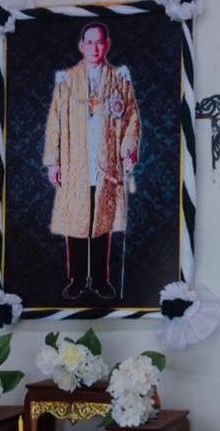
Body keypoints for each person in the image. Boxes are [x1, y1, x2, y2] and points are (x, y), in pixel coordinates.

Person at [43, 22, 141, 300]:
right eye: (89, 42)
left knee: (101, 222)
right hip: (75, 162)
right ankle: (76, 279)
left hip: (105, 163)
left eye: (99, 42)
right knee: (77, 222)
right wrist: (54, 162)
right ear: (81, 45)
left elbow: (131, 120)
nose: (94, 47)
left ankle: (99, 279)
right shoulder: (66, 82)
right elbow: (54, 124)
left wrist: (128, 150)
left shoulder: (119, 80)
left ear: (107, 45)